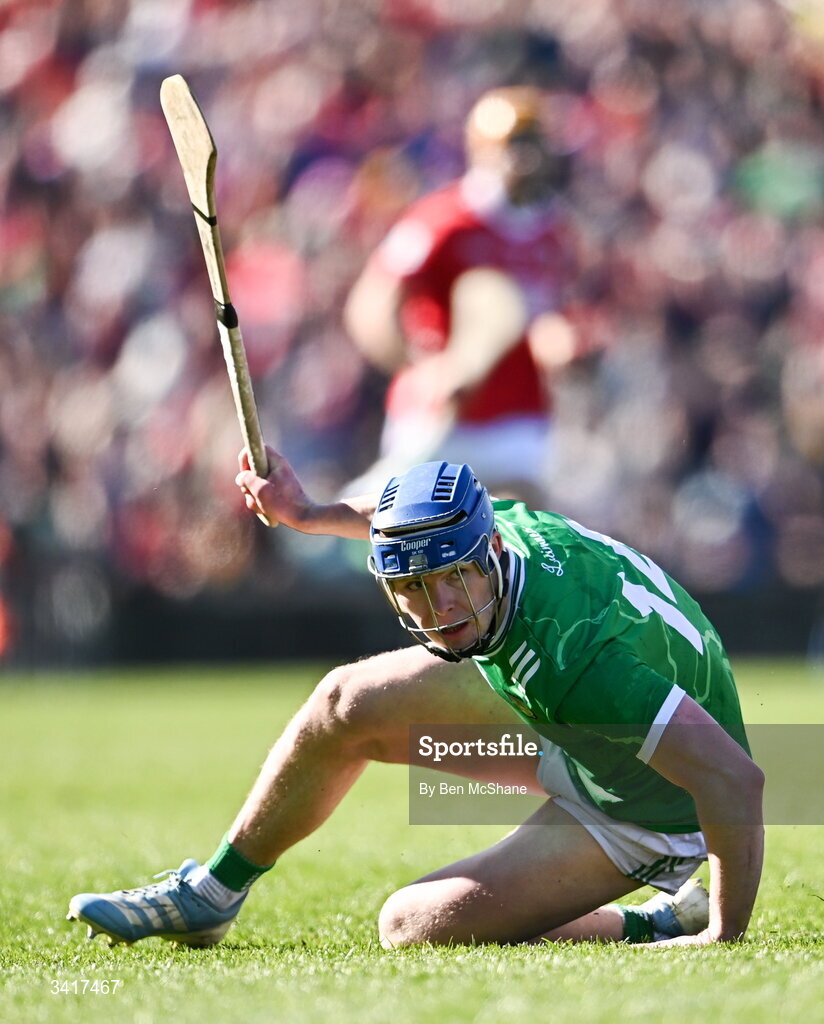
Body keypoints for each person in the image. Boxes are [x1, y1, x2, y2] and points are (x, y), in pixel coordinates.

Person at [68, 448, 764, 949]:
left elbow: (734, 778)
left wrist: (724, 937)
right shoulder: (494, 535)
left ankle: (663, 917)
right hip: (572, 724)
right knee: (345, 702)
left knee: (409, 924)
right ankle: (211, 894)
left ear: (486, 549)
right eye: (412, 587)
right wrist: (310, 514)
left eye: (451, 579)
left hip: (652, 802)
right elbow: (395, 519)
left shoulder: (576, 658)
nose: (438, 609)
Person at [343, 86, 578, 505]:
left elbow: (540, 319)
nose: (526, 159)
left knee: (524, 538)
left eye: (534, 144)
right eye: (514, 145)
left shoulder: (552, 232)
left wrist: (561, 344)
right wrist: (420, 367)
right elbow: (372, 305)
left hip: (517, 414)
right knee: (408, 530)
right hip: (440, 416)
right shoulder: (444, 220)